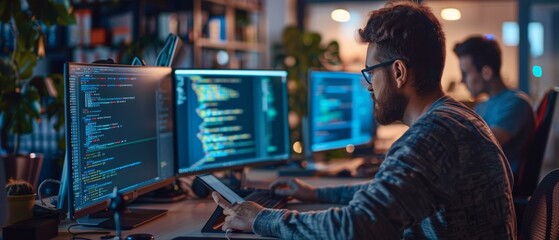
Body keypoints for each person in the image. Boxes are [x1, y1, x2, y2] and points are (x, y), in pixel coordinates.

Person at [212, 1, 517, 239]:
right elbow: (386, 197)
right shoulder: (457, 117)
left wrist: (259, 218)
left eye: (371, 73)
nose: (368, 86)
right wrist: (315, 193)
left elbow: (356, 228)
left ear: (398, 72)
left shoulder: (431, 136)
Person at [453, 35, 536, 174]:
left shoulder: (516, 104)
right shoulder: (482, 106)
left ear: (487, 72)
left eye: (465, 73)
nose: (462, 81)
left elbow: (479, 148)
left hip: (500, 189)